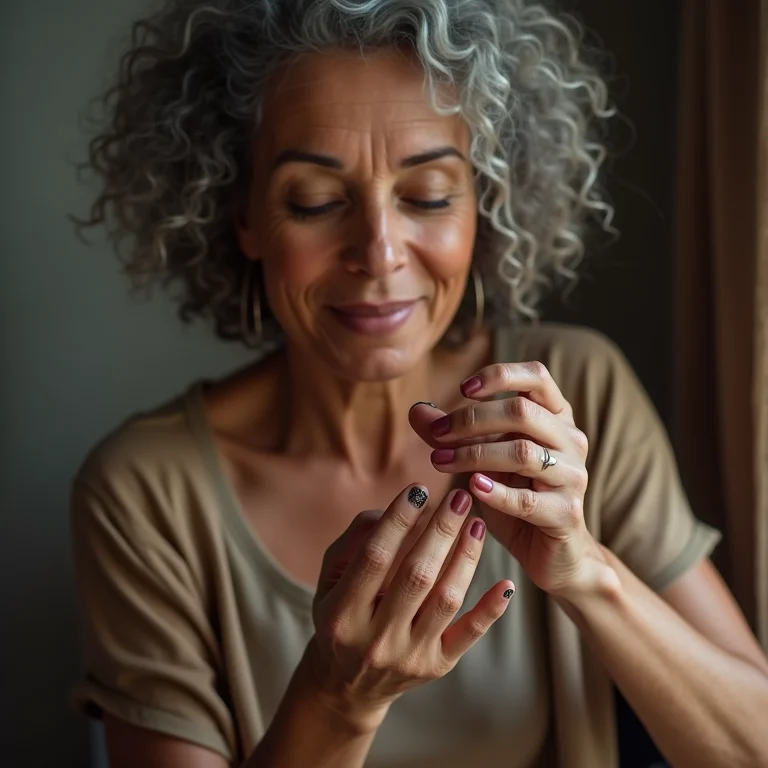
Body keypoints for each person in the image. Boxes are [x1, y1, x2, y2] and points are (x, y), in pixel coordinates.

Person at [69, 1, 768, 766]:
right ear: (243, 217)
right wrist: (337, 699)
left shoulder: (572, 391)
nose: (378, 251)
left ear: (482, 206)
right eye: (316, 201)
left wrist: (589, 571)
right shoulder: (144, 491)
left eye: (429, 195)